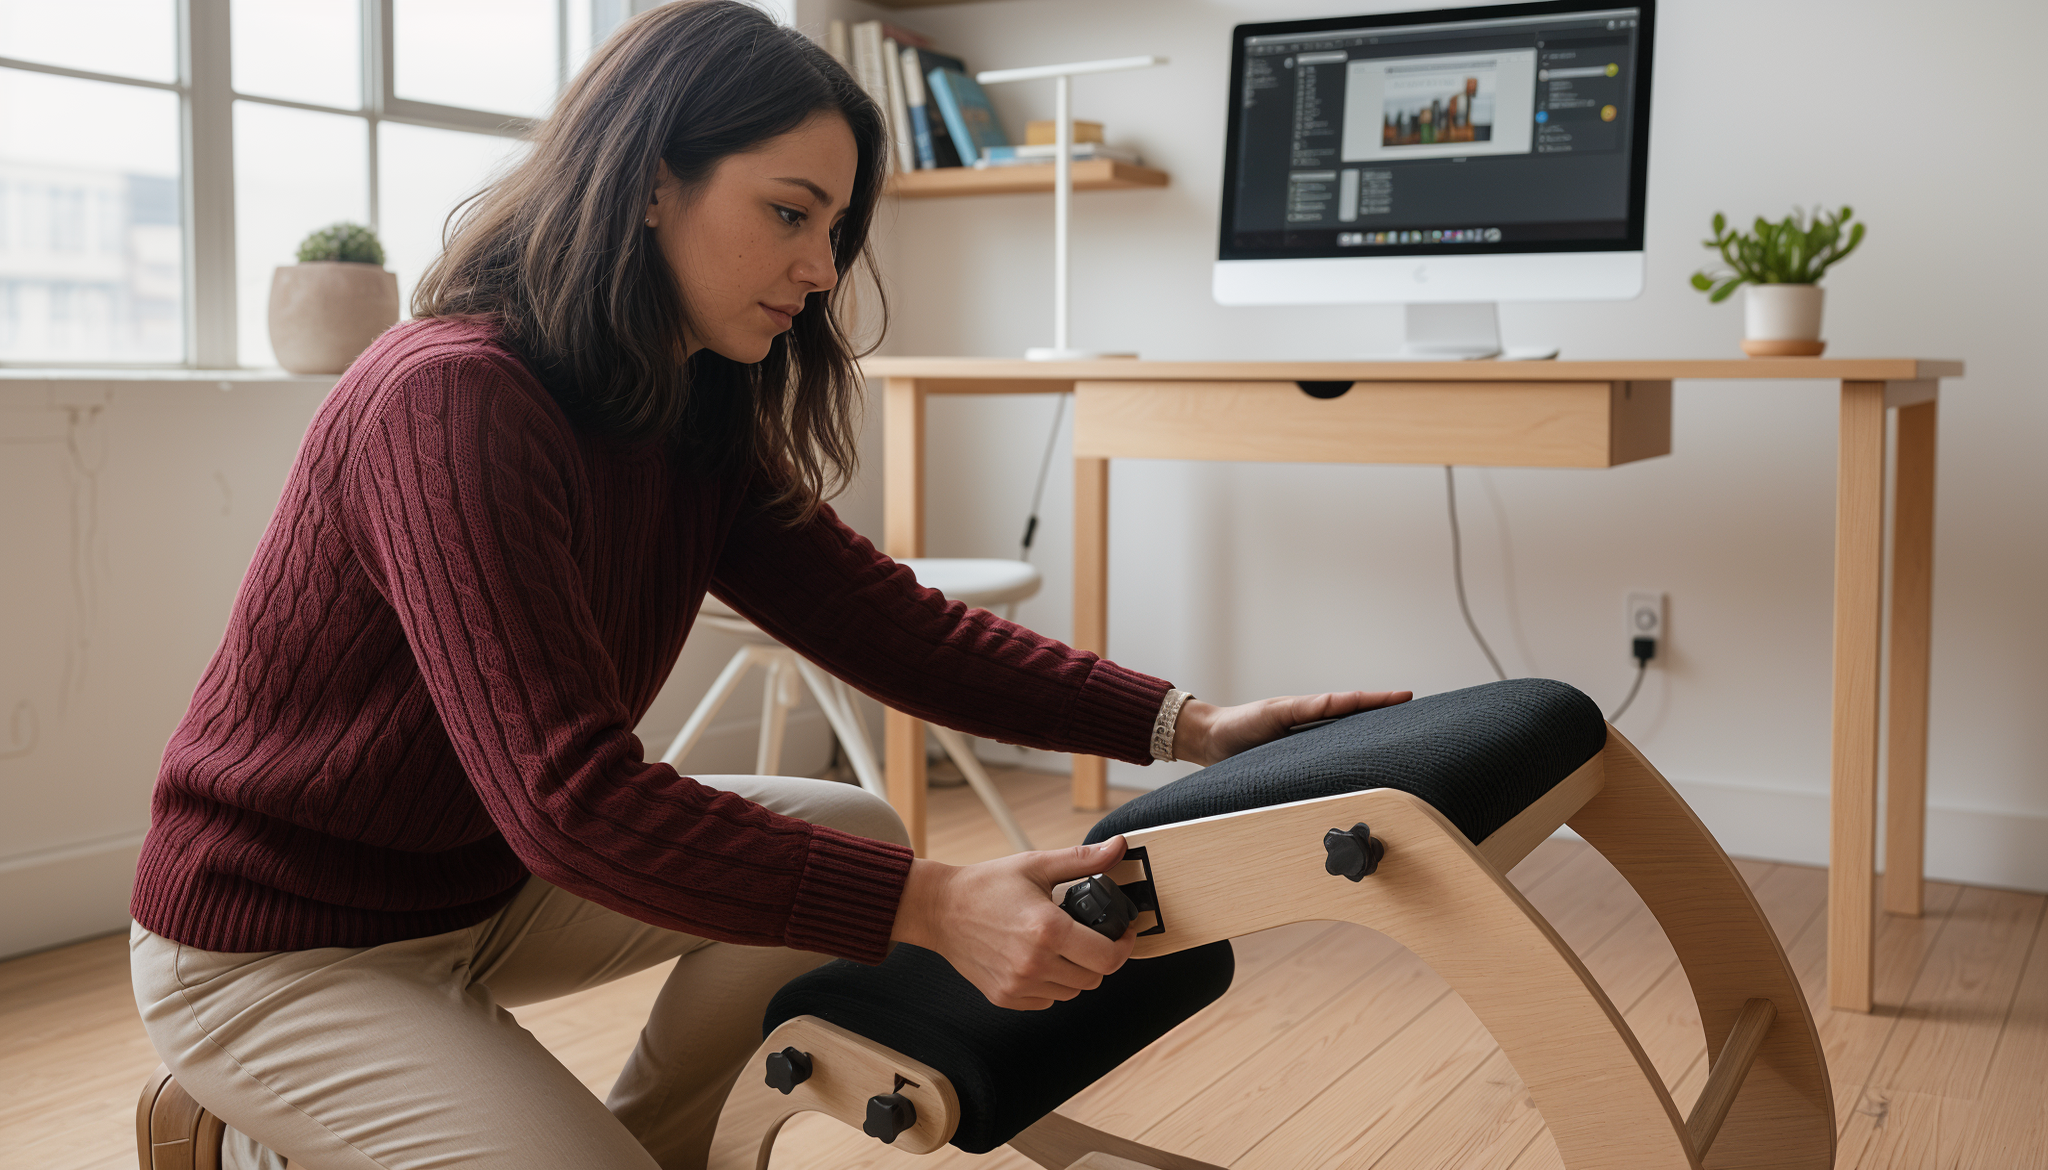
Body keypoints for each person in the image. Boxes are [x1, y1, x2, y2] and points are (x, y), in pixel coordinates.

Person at [128, 5, 1410, 1169]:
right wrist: (929, 908)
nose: (819, 270)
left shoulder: (682, 406)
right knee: (875, 870)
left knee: (852, 822)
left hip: (482, 883)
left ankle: (652, 1147)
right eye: (788, 213)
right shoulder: (450, 397)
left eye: (835, 231)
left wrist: (1186, 724)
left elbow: (890, 625)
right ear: (645, 183)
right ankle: (252, 1134)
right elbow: (568, 799)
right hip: (276, 942)